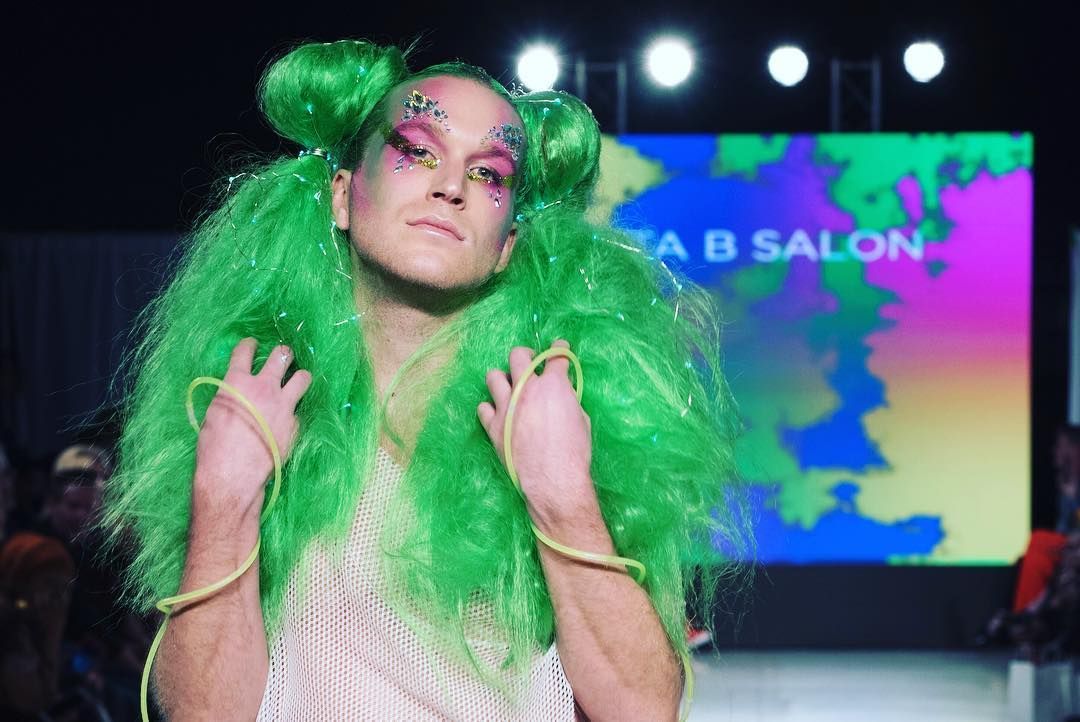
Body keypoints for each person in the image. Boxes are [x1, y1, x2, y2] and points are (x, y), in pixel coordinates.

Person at [102, 39, 746, 721]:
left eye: (490, 174)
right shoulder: (268, 416)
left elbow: (644, 709)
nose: (451, 187)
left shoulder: (566, 419)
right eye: (417, 151)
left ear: (507, 248)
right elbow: (204, 714)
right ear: (343, 196)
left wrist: (562, 495)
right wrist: (223, 500)